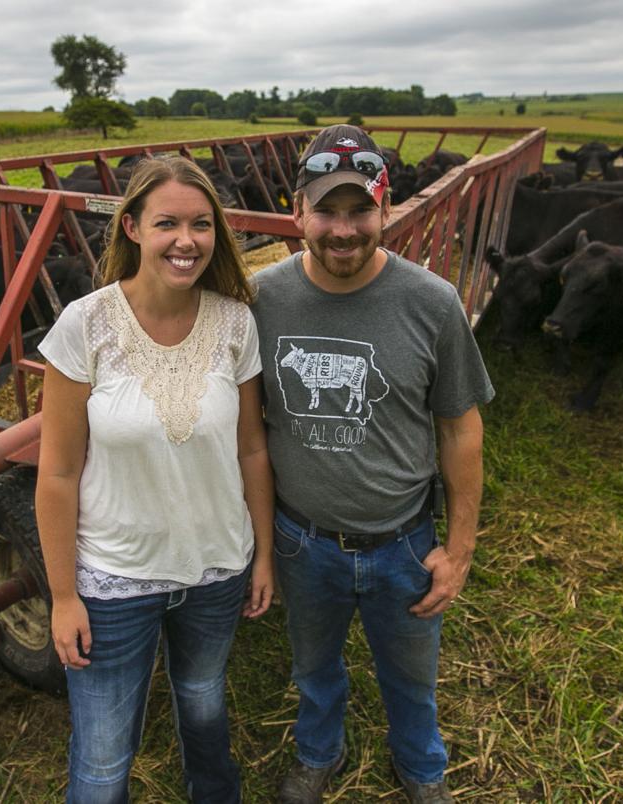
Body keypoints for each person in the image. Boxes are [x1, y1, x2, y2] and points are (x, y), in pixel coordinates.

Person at [251, 125, 494, 804]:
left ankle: (421, 768)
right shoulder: (261, 300)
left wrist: (461, 546)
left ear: (386, 211)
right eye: (327, 210)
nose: (344, 229)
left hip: (404, 543)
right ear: (296, 211)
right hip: (304, 541)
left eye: (361, 211)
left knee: (411, 675)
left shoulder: (432, 302)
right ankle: (317, 751)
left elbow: (460, 427)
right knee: (313, 668)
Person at [35, 154, 275, 804]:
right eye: (167, 222)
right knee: (105, 755)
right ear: (133, 228)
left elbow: (252, 450)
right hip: (113, 579)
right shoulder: (84, 326)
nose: (186, 241)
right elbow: (56, 473)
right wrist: (63, 596)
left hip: (216, 568)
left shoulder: (235, 323)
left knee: (203, 703)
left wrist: (262, 556)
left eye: (201, 225)